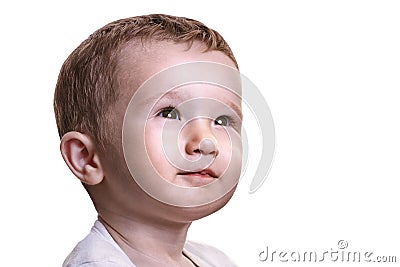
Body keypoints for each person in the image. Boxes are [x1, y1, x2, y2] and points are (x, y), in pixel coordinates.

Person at [54, 14, 243, 266]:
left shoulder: (216, 260)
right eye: (169, 113)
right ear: (86, 158)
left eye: (222, 120)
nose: (206, 142)